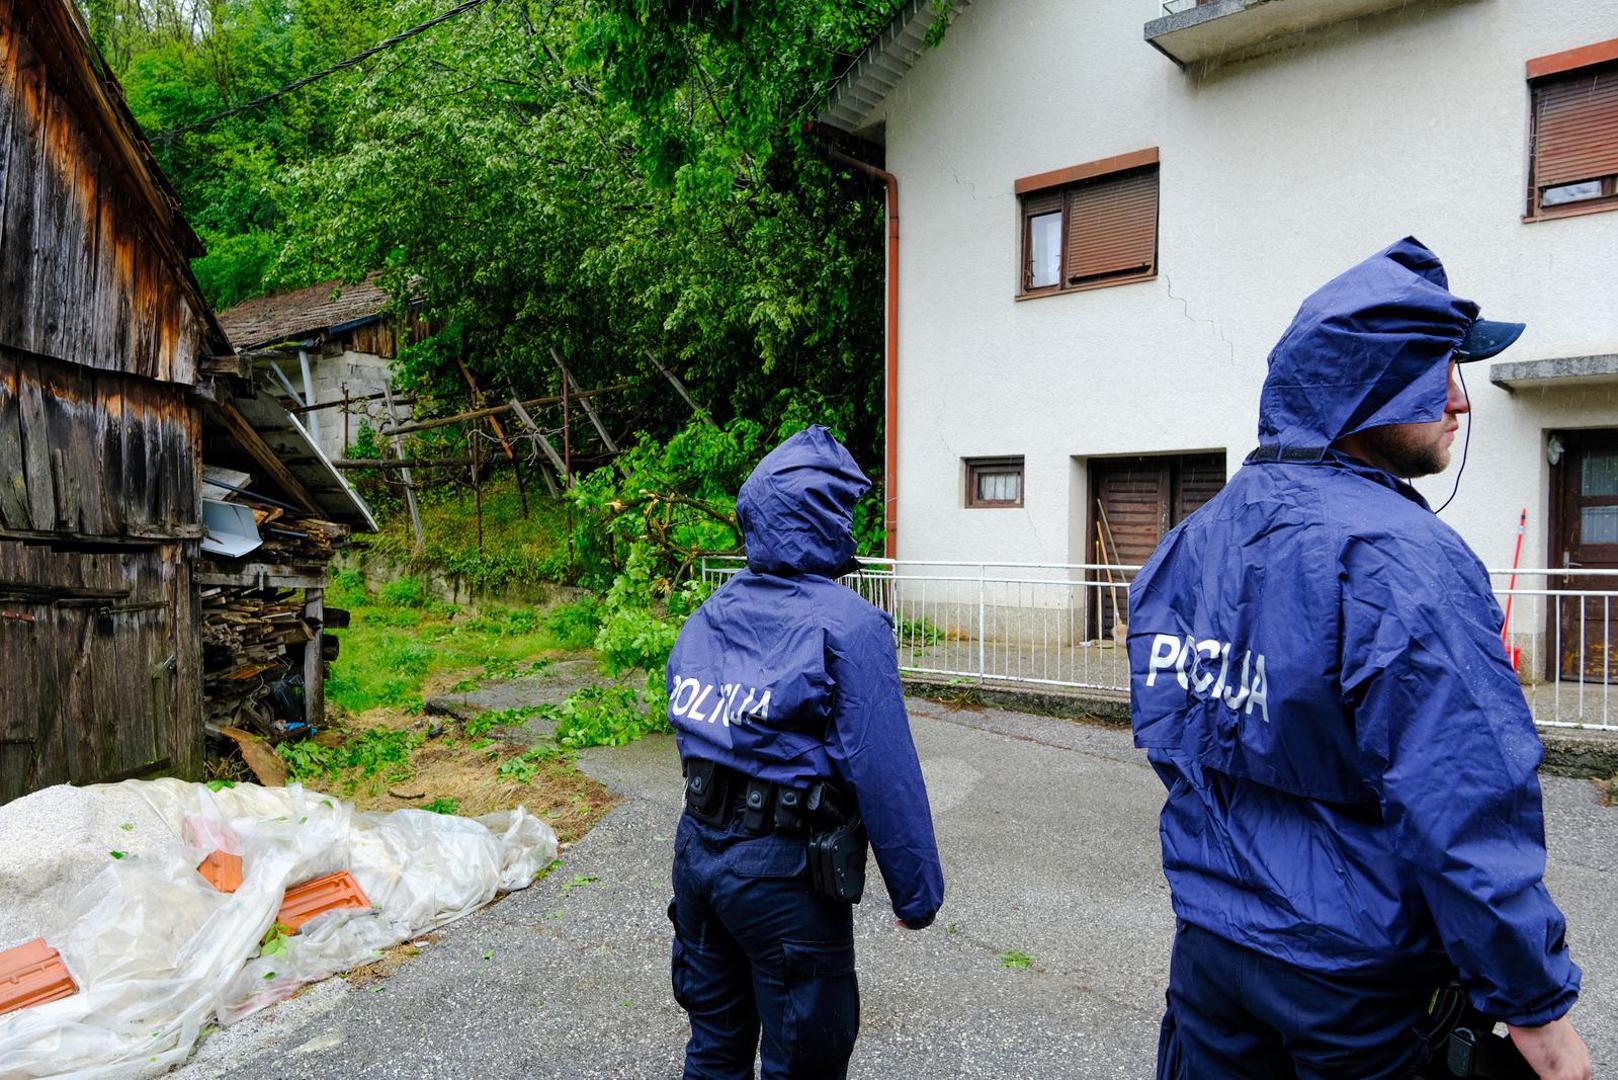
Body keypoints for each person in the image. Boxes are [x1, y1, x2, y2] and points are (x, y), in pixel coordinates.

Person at [1128, 238, 1590, 1080]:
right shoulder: (1401, 558)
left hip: (1212, 954)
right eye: (1438, 370)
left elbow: (1184, 743)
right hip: (1352, 983)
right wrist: (1536, 1009)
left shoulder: (1196, 536)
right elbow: (1460, 801)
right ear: (1366, 383)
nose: (1460, 398)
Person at [665, 425, 945, 1080]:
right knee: (803, 1062)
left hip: (698, 857)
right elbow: (883, 770)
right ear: (825, 517)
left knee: (714, 1048)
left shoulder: (710, 613)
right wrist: (916, 894)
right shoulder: (849, 624)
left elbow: (693, 727)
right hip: (784, 877)